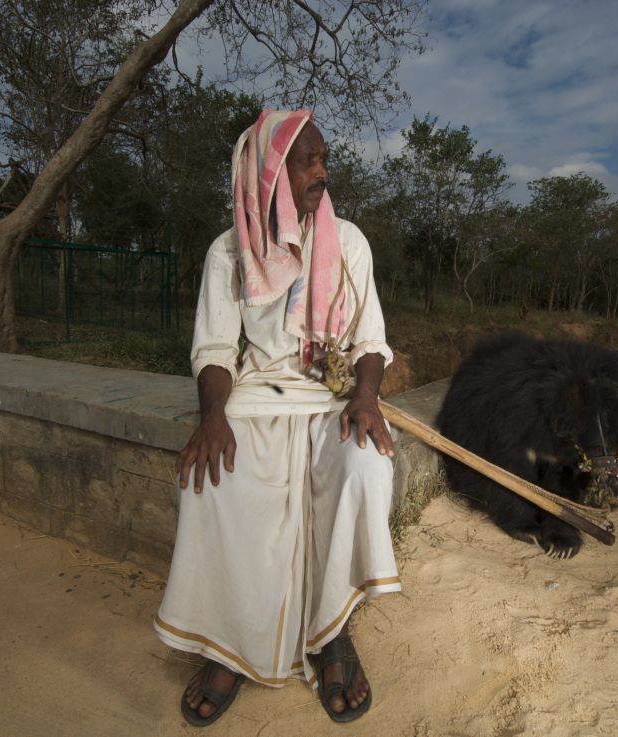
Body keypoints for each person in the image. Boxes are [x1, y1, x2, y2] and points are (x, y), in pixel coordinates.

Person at [153, 108, 401, 727]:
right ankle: (228, 644)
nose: (323, 170)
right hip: (258, 393)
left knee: (365, 467)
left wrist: (365, 399)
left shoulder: (348, 242)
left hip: (329, 399)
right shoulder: (228, 250)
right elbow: (215, 348)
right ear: (269, 171)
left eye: (322, 158)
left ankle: (332, 635)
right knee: (212, 481)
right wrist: (213, 417)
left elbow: (370, 338)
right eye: (307, 160)